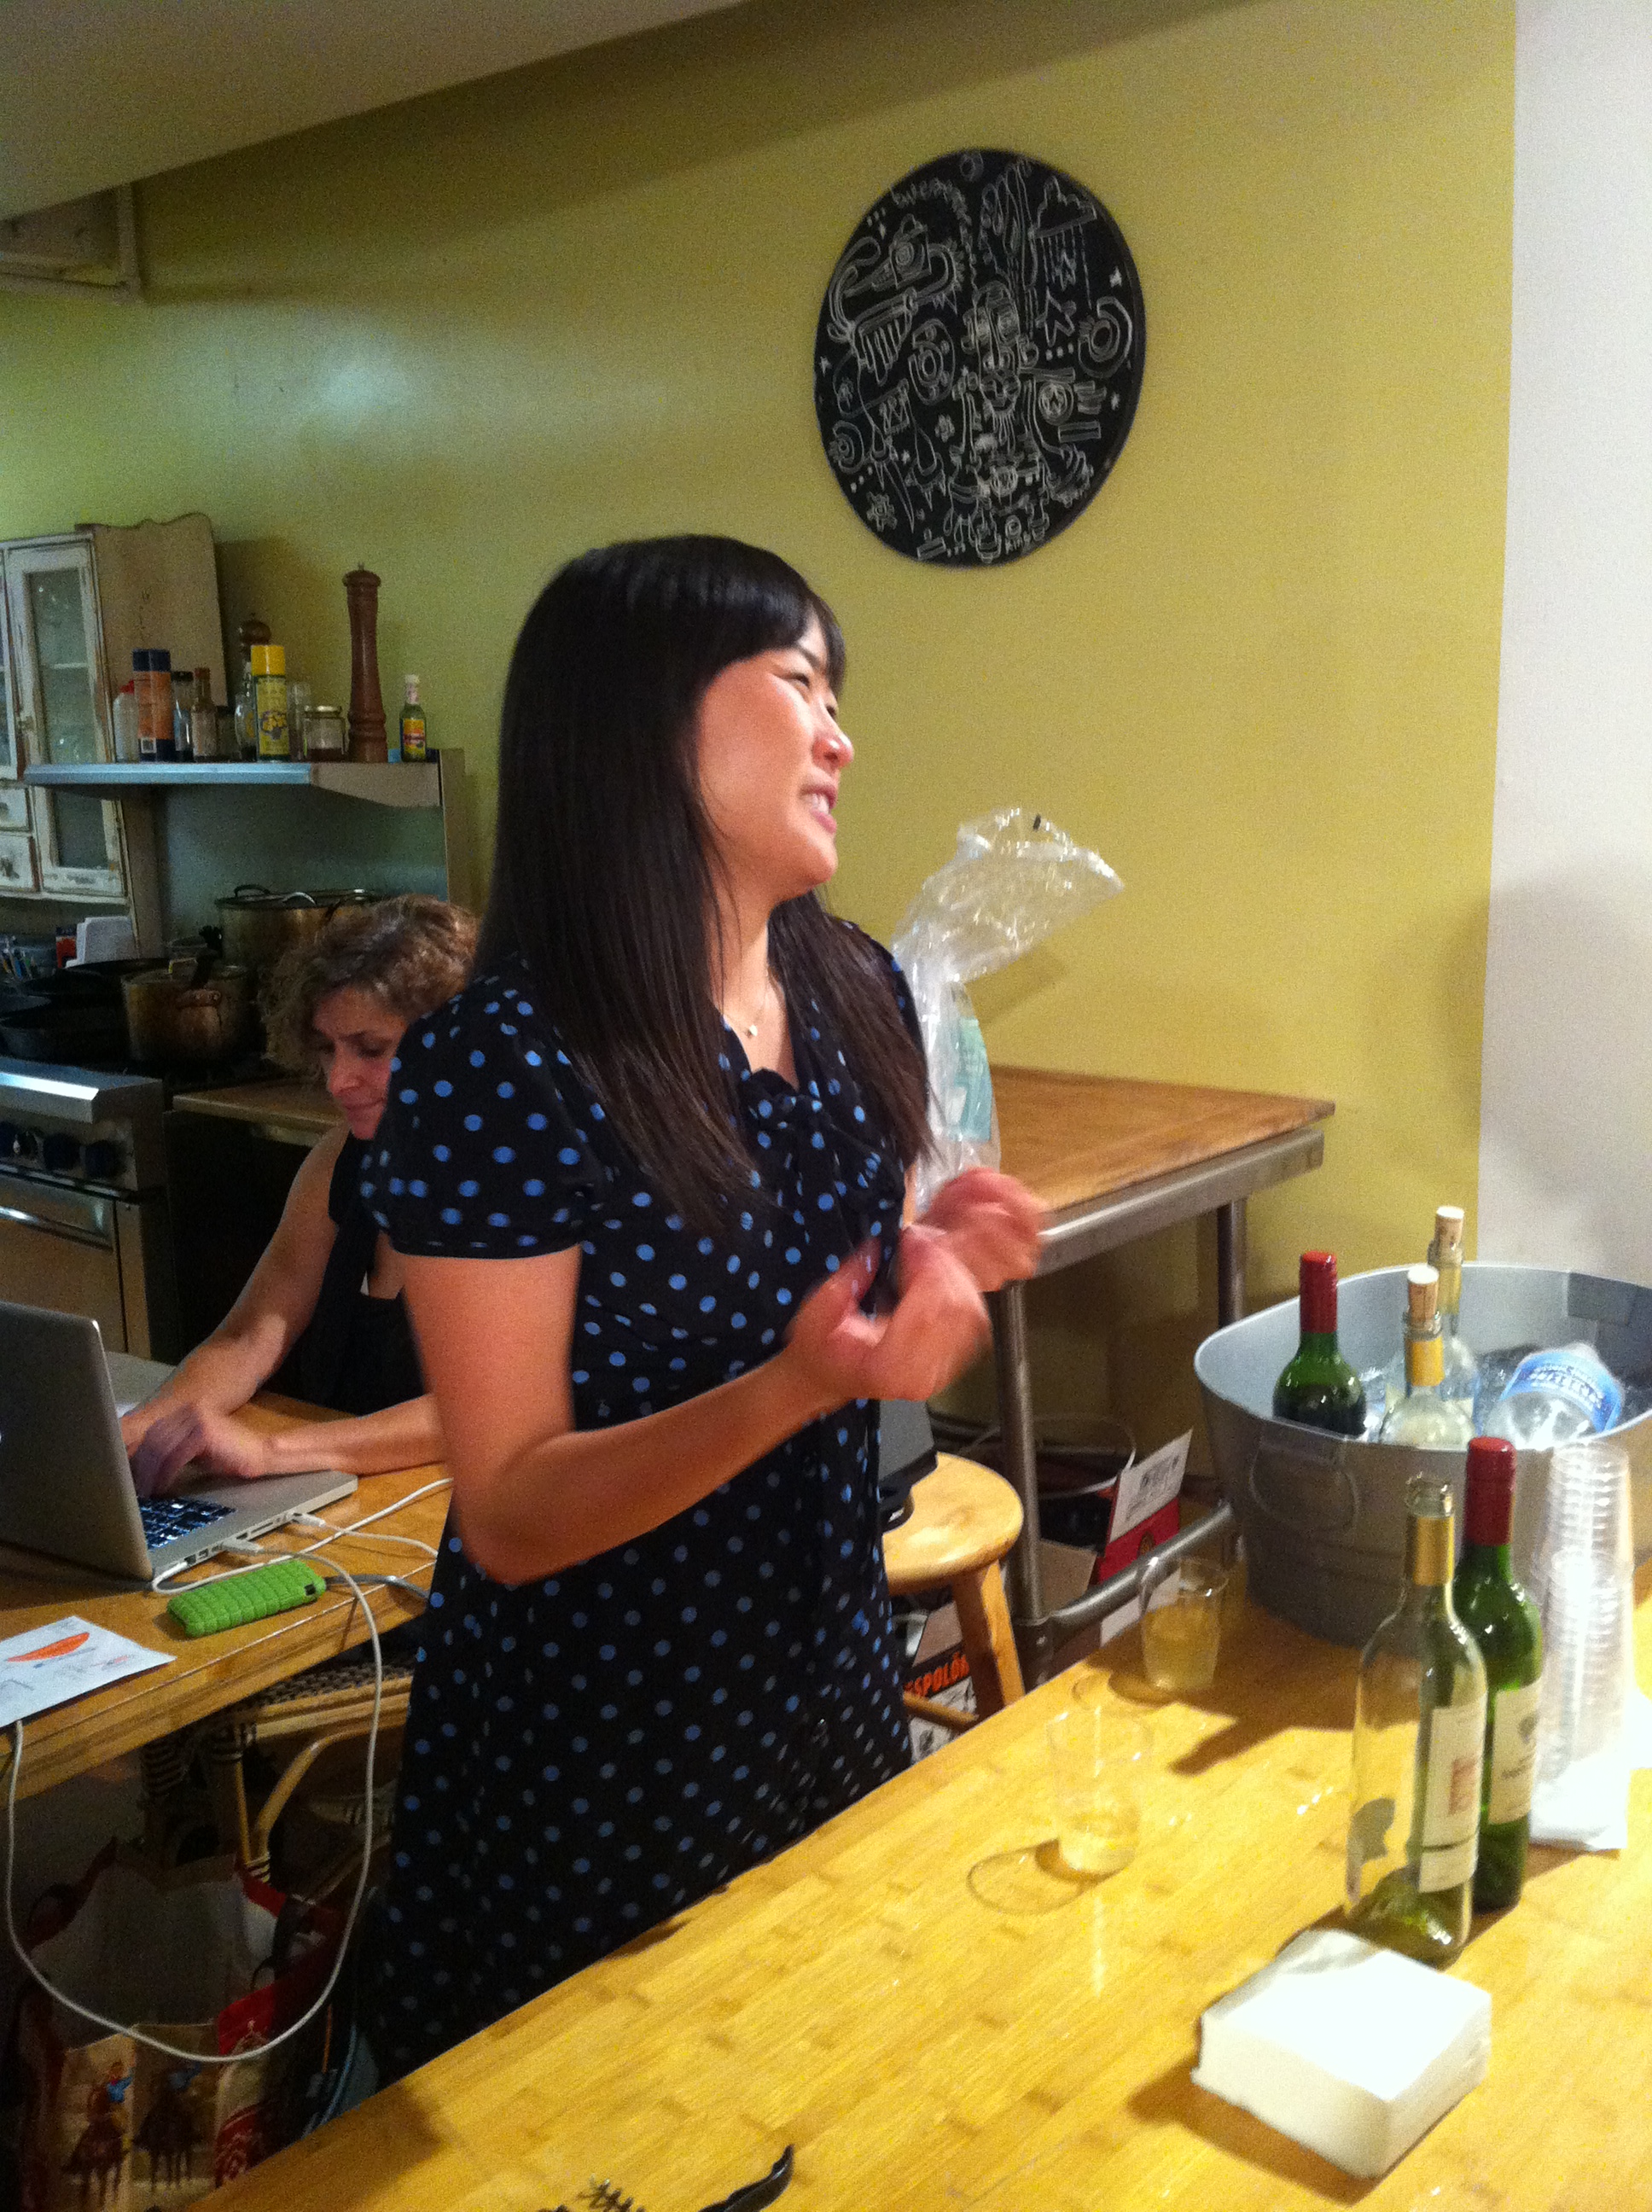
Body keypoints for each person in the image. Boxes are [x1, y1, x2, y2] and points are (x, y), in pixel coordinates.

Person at [362, 536, 1042, 2078]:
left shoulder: (856, 988)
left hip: (826, 1682)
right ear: (643, 718)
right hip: (599, 1758)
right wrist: (805, 1382)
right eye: (799, 684)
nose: (839, 736)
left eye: (837, 695)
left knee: (827, 2086)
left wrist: (926, 1251)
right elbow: (511, 1509)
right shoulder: (502, 1062)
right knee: (609, 2131)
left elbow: (812, 1284)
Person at [120, 896, 477, 1498]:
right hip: (348, 1497)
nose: (338, 1081)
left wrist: (269, 1451)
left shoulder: (514, 1188)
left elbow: (479, 1411)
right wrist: (144, 1430)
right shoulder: (340, 1160)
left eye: (370, 1049)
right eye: (327, 1048)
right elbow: (248, 1337)